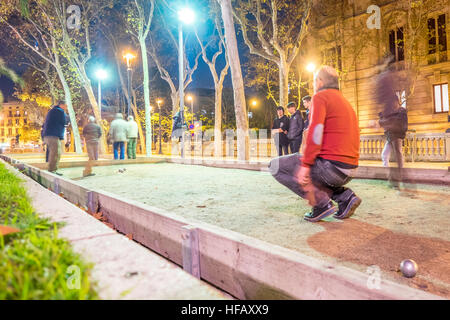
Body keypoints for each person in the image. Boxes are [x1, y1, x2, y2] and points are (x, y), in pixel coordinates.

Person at [269, 66, 361, 223]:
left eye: (313, 80)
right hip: (349, 169)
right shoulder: (346, 103)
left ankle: (321, 204)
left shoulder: (320, 97)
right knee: (315, 172)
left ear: (319, 82)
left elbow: (315, 133)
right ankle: (345, 197)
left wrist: (305, 165)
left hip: (330, 168)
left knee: (275, 166)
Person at [375, 57, 408, 187]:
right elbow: (382, 121)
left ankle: (398, 177)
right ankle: (391, 176)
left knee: (398, 153)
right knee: (386, 155)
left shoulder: (400, 111)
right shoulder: (390, 109)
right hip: (390, 135)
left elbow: (402, 124)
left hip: (396, 134)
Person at [42, 101, 68, 175]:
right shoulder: (59, 111)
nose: (66, 108)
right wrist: (61, 136)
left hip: (48, 135)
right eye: (65, 106)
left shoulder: (52, 111)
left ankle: (52, 169)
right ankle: (52, 170)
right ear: (61, 105)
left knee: (54, 153)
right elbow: (63, 122)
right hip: (53, 135)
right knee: (56, 153)